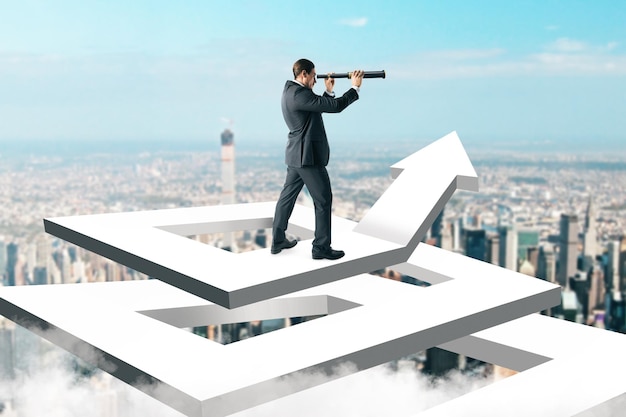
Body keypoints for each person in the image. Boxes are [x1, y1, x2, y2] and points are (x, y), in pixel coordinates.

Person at [271, 58, 364, 260]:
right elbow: (336, 107)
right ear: (303, 74)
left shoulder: (291, 92)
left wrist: (328, 91)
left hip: (296, 155)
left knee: (287, 198)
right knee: (323, 200)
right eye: (314, 75)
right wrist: (354, 88)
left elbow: (316, 107)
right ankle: (321, 248)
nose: (315, 79)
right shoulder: (299, 94)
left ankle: (278, 239)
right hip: (308, 158)